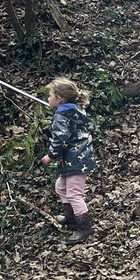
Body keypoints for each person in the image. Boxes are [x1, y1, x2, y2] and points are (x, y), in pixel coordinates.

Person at [41, 77, 97, 245]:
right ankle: (71, 217)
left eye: (50, 96)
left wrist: (51, 156)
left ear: (59, 99)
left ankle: (84, 228)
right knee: (61, 186)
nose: (48, 99)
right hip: (73, 158)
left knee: (74, 194)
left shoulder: (62, 115)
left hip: (76, 159)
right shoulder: (73, 110)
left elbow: (60, 138)